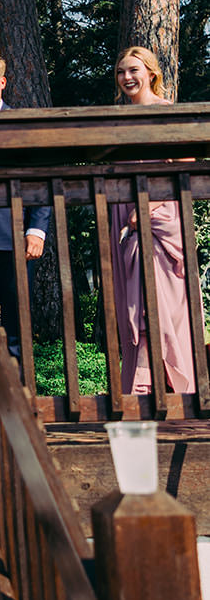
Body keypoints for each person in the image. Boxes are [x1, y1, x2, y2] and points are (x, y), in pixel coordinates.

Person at [110, 46, 203, 395]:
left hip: (164, 220)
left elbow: (184, 167)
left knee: (164, 307)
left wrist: (149, 208)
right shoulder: (116, 119)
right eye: (121, 72)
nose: (127, 78)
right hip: (128, 219)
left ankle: (171, 388)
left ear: (151, 73)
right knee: (137, 305)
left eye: (133, 70)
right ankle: (142, 385)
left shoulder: (167, 113)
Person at [0, 51, 50, 358]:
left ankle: (19, 391)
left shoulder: (21, 126)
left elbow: (40, 181)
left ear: (2, 83)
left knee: (17, 316)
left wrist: (36, 230)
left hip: (14, 235)